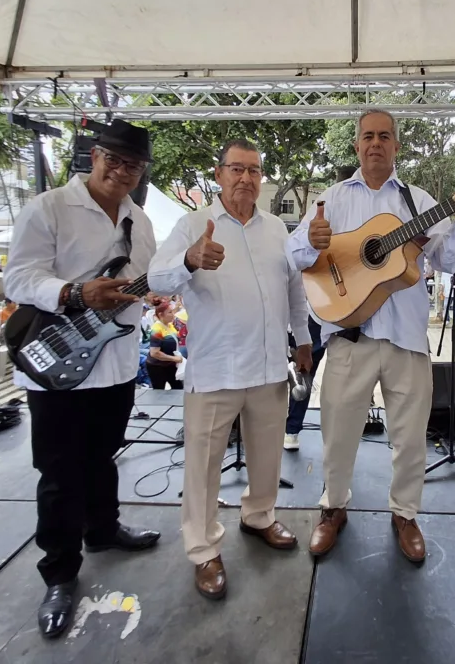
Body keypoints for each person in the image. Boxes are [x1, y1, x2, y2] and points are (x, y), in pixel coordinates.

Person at [286, 110, 455, 564]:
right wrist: (311, 240)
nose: (375, 143)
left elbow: (448, 262)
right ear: (357, 145)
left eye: (384, 136)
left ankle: (405, 514)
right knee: (337, 433)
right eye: (368, 136)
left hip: (406, 337)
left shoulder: (420, 201)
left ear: (397, 145)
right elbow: (294, 254)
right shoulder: (332, 198)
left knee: (411, 438)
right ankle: (333, 507)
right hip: (349, 335)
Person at [4, 119, 161, 638]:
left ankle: (103, 529)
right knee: (59, 473)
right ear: (94, 157)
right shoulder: (48, 208)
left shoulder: (141, 221)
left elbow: (138, 286)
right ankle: (59, 573)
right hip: (58, 362)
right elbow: (18, 278)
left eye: (133, 164)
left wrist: (162, 287)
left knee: (102, 455)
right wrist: (74, 293)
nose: (122, 171)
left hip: (115, 363)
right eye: (113, 159)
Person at [149, 138, 312, 601]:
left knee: (267, 454)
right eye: (237, 169)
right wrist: (189, 259)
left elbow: (295, 290)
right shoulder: (192, 224)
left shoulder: (277, 229)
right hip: (216, 368)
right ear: (218, 174)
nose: (246, 178)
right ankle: (203, 550)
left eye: (254, 170)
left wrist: (302, 339)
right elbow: (155, 277)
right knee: (203, 467)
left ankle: (259, 516)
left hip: (268, 366)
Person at [284, 316, 324, 451]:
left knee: (303, 375)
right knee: (301, 375)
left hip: (312, 320)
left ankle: (292, 430)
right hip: (291, 320)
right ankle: (291, 431)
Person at [146, 302, 184, 390]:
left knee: (178, 388)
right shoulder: (156, 330)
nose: (173, 314)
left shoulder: (170, 325)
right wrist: (174, 358)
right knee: (159, 391)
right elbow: (154, 353)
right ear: (161, 315)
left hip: (171, 364)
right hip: (157, 366)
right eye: (170, 312)